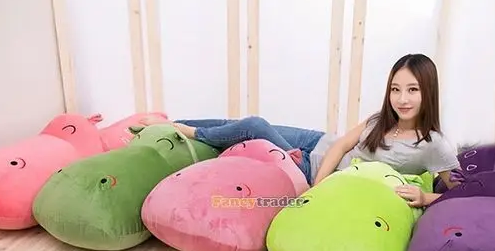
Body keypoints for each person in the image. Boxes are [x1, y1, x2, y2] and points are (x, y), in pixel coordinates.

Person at [142, 53, 461, 208]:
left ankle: (188, 132)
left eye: (412, 90)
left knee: (254, 126)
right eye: (395, 89)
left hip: (309, 166)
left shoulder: (434, 144)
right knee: (240, 123)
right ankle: (173, 123)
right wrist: (320, 183)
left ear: (428, 92)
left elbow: (463, 194)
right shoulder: (381, 120)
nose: (402, 99)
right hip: (318, 143)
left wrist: (425, 197)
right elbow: (342, 145)